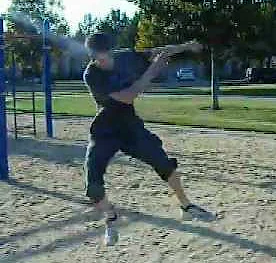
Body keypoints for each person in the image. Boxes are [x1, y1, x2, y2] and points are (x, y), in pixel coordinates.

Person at [82, 33, 216, 245]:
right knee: (92, 184)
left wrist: (186, 45)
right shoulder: (91, 75)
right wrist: (151, 72)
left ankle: (186, 206)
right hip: (105, 129)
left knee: (163, 161)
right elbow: (127, 97)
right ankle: (110, 217)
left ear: (111, 50)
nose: (102, 60)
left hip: (130, 125)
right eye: (96, 57)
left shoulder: (126, 58)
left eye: (105, 54)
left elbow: (158, 51)